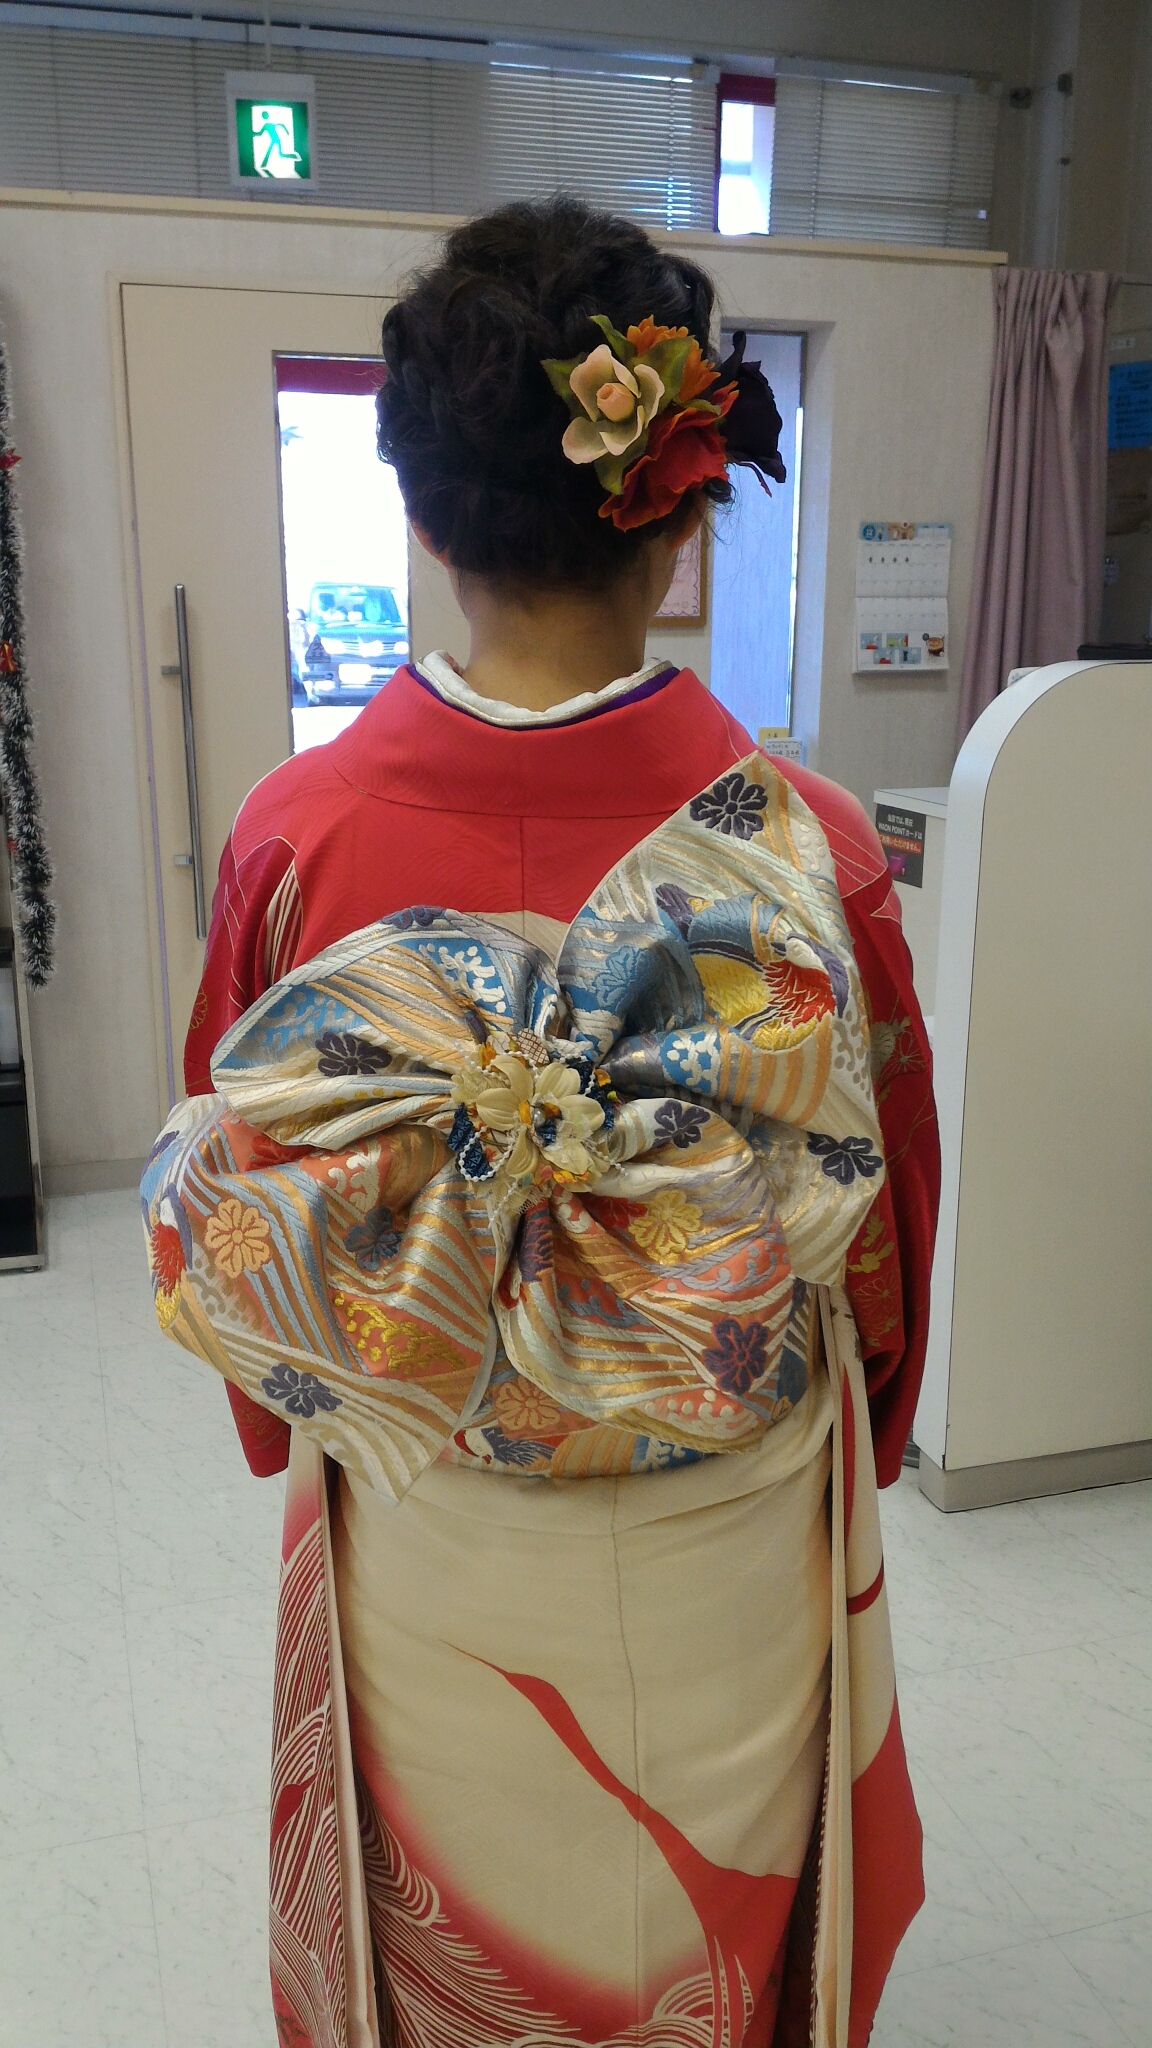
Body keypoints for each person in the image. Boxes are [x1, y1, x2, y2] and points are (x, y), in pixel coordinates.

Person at [147, 197, 938, 2048]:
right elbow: (883, 1206)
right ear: (681, 516)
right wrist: (877, 1412)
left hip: (433, 1485)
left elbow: (250, 1190)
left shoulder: (295, 835)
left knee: (464, 1944)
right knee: (716, 1924)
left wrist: (292, 1414)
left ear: (424, 518)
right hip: (734, 1489)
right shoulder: (810, 848)